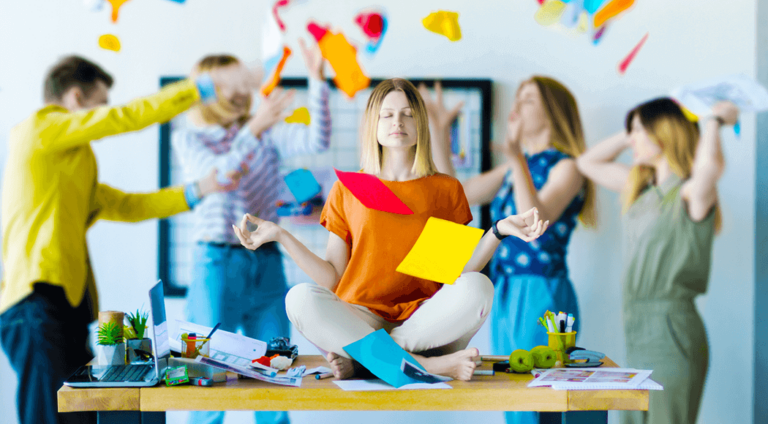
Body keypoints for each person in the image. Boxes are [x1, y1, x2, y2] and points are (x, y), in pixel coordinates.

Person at [233, 78, 549, 381]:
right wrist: (281, 235)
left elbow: (453, 273)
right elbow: (333, 278)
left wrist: (498, 231)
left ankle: (369, 361)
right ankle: (427, 366)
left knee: (478, 287)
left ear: (420, 124)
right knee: (299, 298)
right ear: (374, 124)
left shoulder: (444, 189)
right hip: (360, 316)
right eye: (387, 115)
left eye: (408, 115)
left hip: (422, 321)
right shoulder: (347, 189)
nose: (397, 122)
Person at [0, 55, 254, 424]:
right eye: (99, 104)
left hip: (64, 306)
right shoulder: (39, 130)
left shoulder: (71, 161)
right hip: (34, 302)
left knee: (84, 414)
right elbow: (125, 118)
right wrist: (202, 86)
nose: (104, 113)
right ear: (74, 97)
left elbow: (129, 206)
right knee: (49, 415)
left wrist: (202, 188)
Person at [173, 39, 331, 424]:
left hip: (265, 263)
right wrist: (256, 128)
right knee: (205, 378)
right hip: (216, 262)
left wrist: (317, 81)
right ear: (208, 89)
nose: (243, 91)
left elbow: (317, 141)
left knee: (277, 373)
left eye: (244, 81)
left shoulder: (267, 135)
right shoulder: (189, 138)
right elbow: (221, 175)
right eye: (232, 83)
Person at [422, 77, 595, 424]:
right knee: (512, 393)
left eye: (528, 99)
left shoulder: (567, 166)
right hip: (504, 289)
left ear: (554, 113)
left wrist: (517, 158)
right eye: (518, 96)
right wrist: (439, 132)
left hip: (542, 290)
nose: (516, 105)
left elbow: (536, 221)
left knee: (539, 394)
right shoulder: (516, 167)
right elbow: (460, 193)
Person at [576, 98, 738, 424]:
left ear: (663, 131)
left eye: (638, 131)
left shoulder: (690, 192)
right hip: (637, 330)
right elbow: (587, 164)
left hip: (671, 331)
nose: (631, 139)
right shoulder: (640, 189)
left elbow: (710, 169)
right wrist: (633, 130)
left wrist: (712, 122)